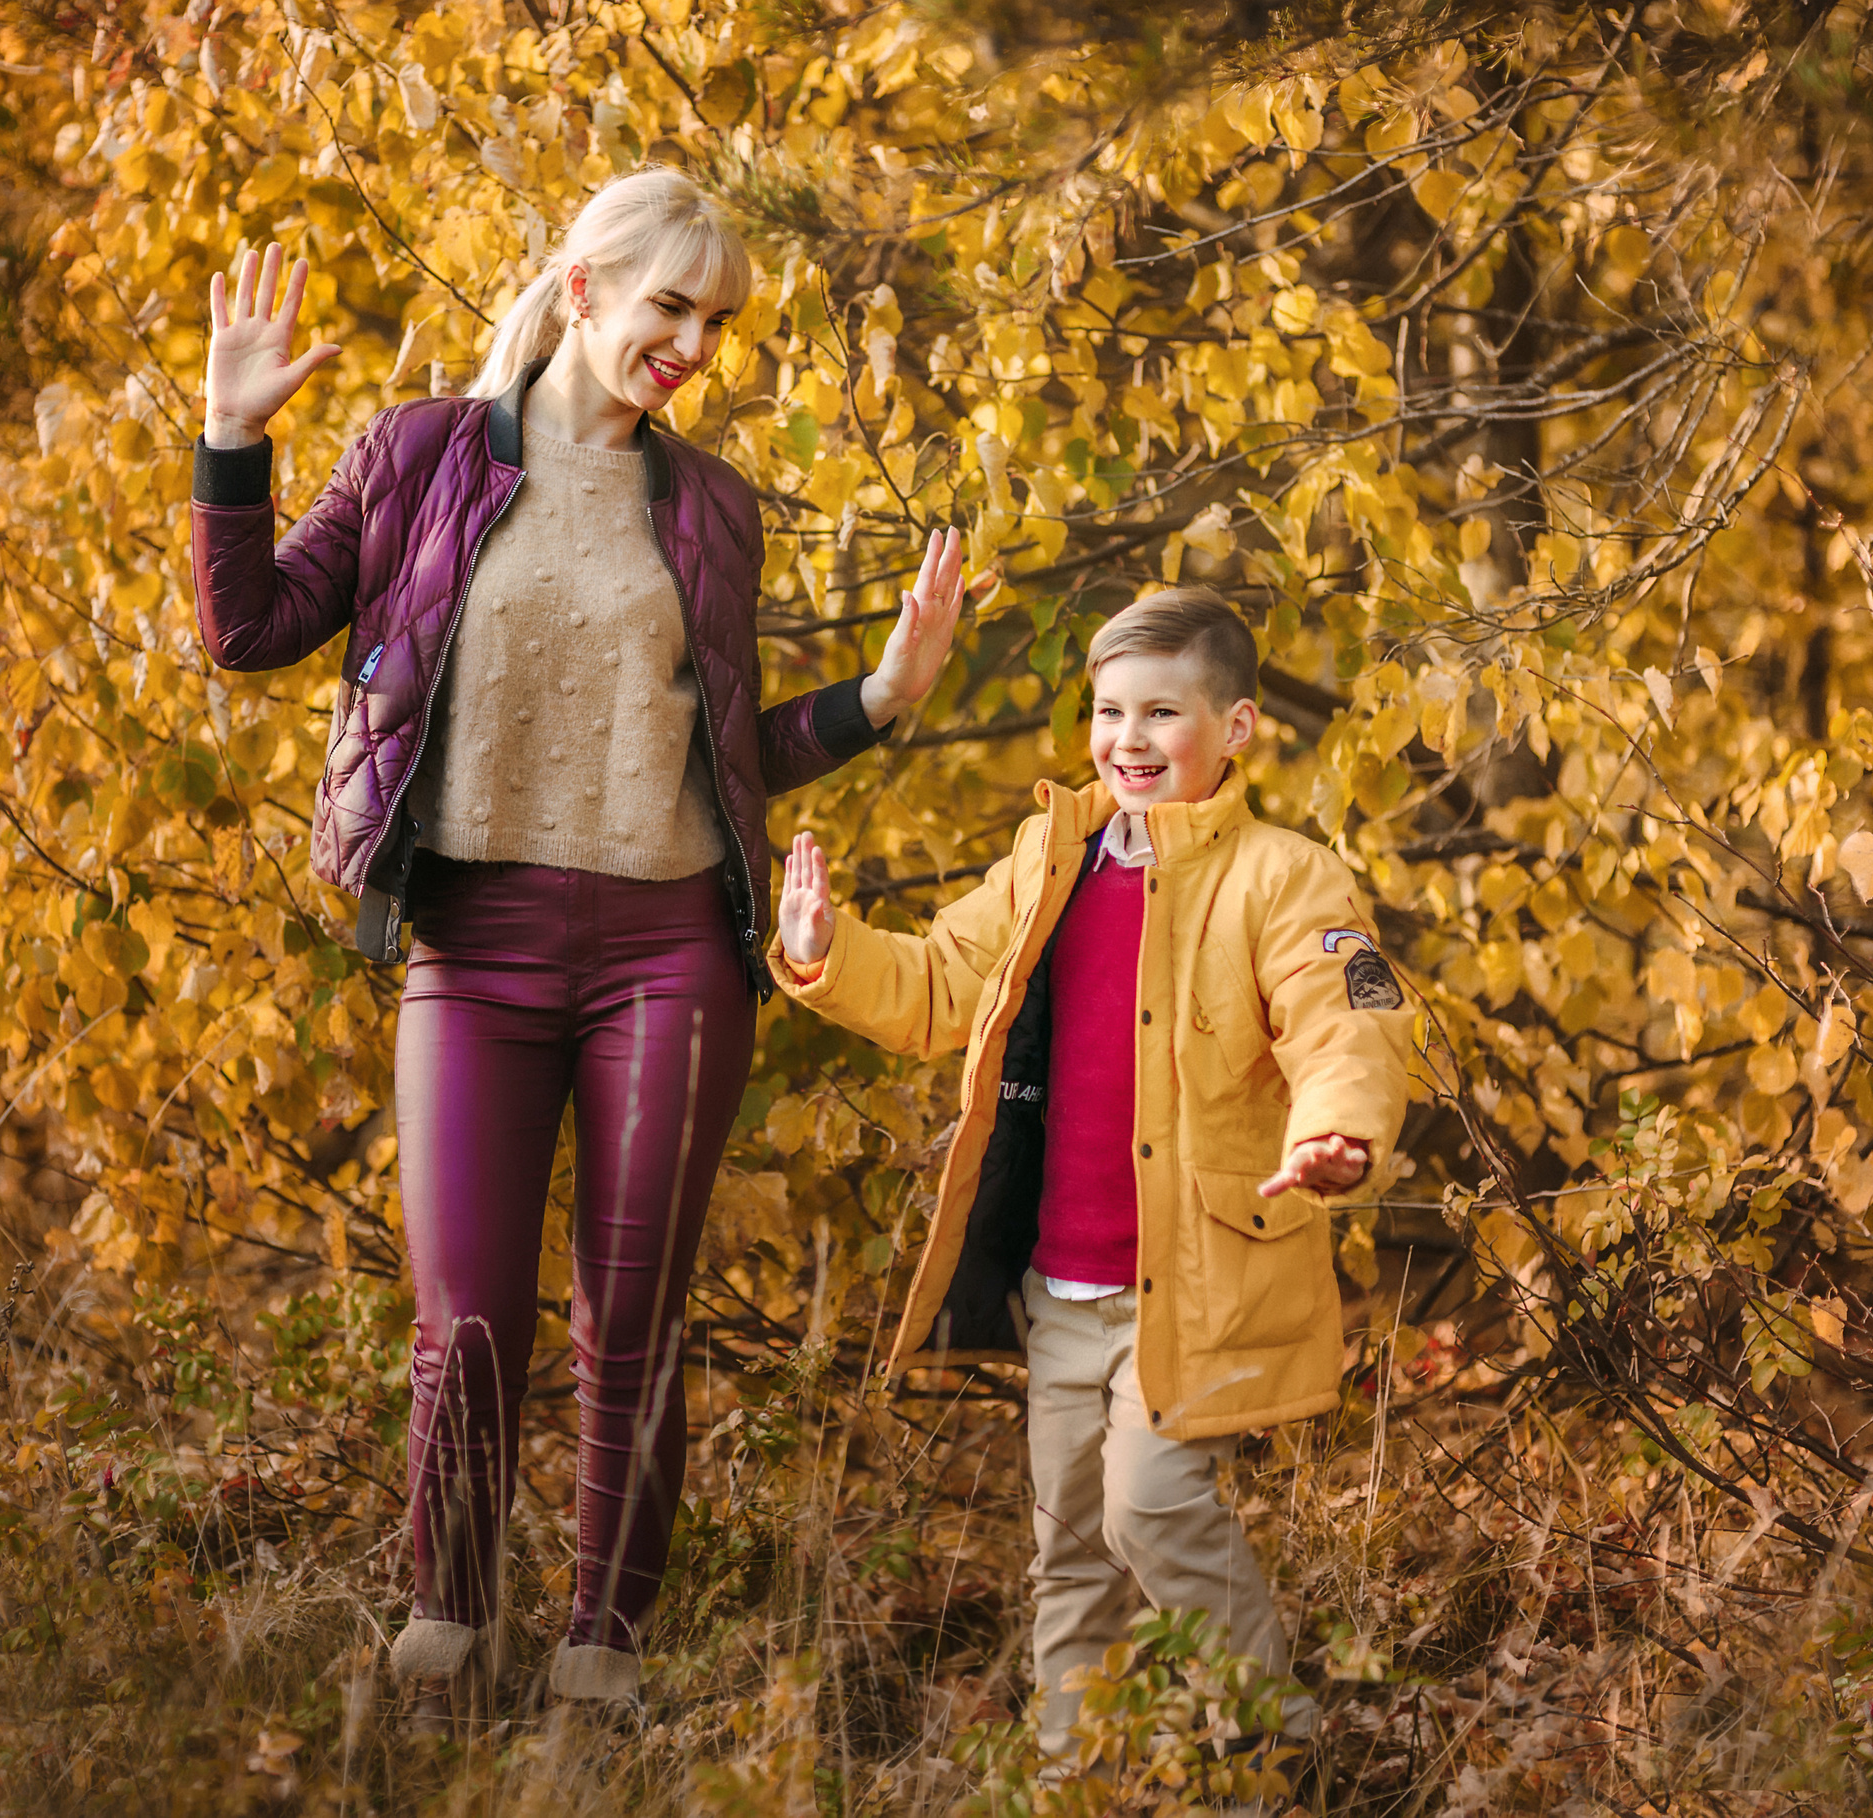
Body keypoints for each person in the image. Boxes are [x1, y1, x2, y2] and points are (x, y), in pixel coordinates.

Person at [188, 167, 966, 1713]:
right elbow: (249, 630)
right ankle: (447, 1627)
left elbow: (726, 754)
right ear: (584, 285)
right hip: (471, 948)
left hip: (668, 951)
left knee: (633, 1326)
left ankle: (602, 1660)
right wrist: (231, 439)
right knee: (467, 1323)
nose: (694, 346)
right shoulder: (418, 455)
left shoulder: (713, 505)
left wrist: (882, 698)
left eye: (717, 321)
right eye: (672, 306)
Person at [772, 586, 1412, 1765]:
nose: (1128, 739)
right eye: (1110, 711)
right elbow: (940, 985)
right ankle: (1075, 1770)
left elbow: (1348, 1024)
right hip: (1060, 1287)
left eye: (1162, 713)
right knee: (1069, 1550)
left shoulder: (1283, 878)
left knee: (1150, 1508)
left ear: (1235, 726)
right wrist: (826, 954)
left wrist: (1336, 1134)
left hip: (1197, 1281)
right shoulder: (1048, 860)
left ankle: (1275, 1747)